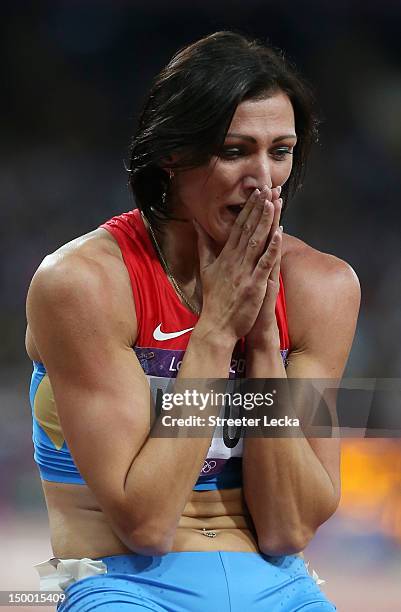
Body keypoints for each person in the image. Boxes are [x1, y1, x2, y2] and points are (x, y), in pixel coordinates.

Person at [26, 31, 360, 611]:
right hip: (124, 583)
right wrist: (213, 334)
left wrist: (261, 345)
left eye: (279, 151)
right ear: (172, 155)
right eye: (234, 150)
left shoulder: (322, 288)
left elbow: (290, 527)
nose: (263, 177)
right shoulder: (83, 285)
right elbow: (146, 523)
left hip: (281, 586)